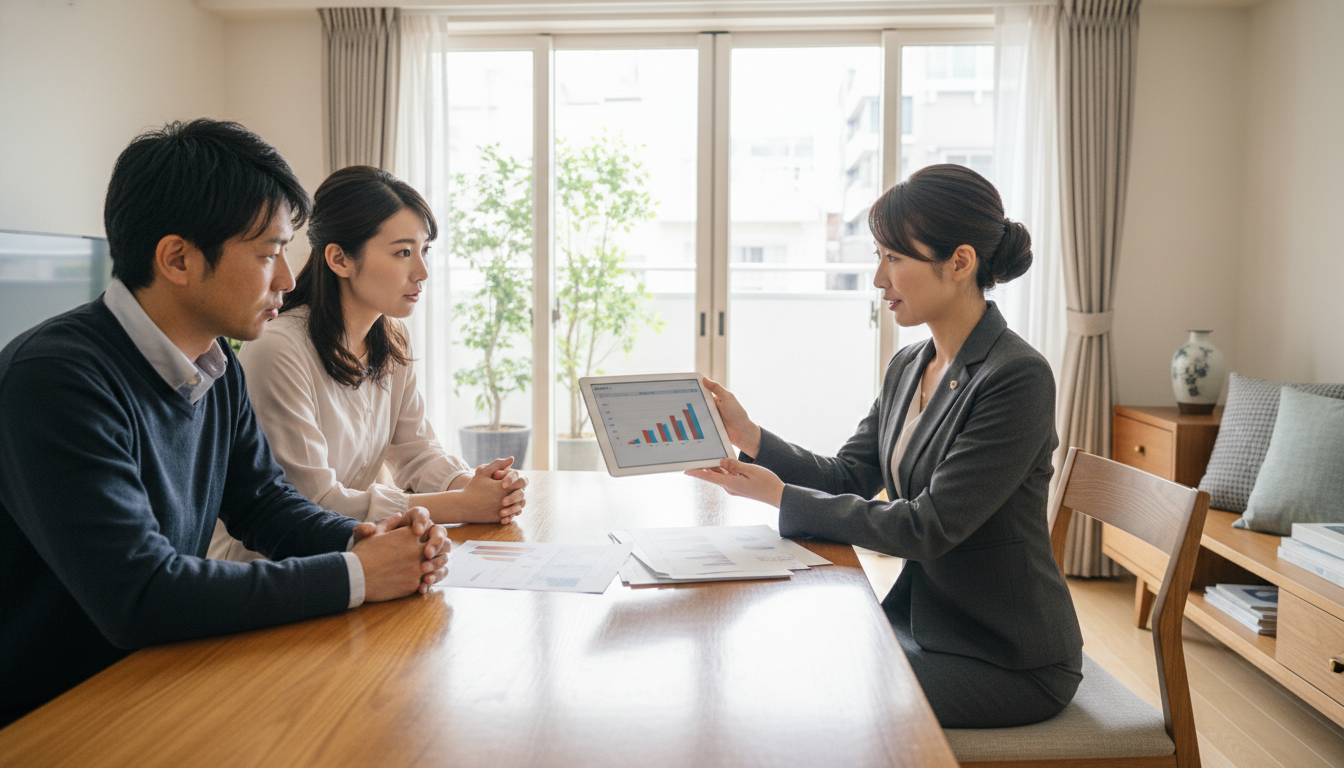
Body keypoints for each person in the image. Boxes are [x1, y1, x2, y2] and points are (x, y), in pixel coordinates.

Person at [0, 119, 451, 727]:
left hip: (158, 676)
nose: (290, 280)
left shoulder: (215, 365)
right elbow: (140, 594)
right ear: (178, 259)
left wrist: (365, 540)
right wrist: (356, 574)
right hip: (58, 710)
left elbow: (263, 503)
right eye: (269, 254)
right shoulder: (56, 379)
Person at [687, 164, 1084, 729]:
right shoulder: (909, 365)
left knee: (811, 689)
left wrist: (780, 498)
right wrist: (747, 434)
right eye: (879, 257)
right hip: (922, 623)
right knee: (778, 655)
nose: (878, 279)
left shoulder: (1016, 377)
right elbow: (849, 473)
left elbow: (927, 527)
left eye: (894, 259)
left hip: (1004, 657)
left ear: (960, 262)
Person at [209, 166, 527, 563]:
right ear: (340, 259)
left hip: (354, 559)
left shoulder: (390, 338)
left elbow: (415, 450)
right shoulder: (278, 350)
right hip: (268, 573)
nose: (422, 272)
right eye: (403, 253)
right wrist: (463, 505)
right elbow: (315, 502)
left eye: (423, 250)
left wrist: (477, 487)